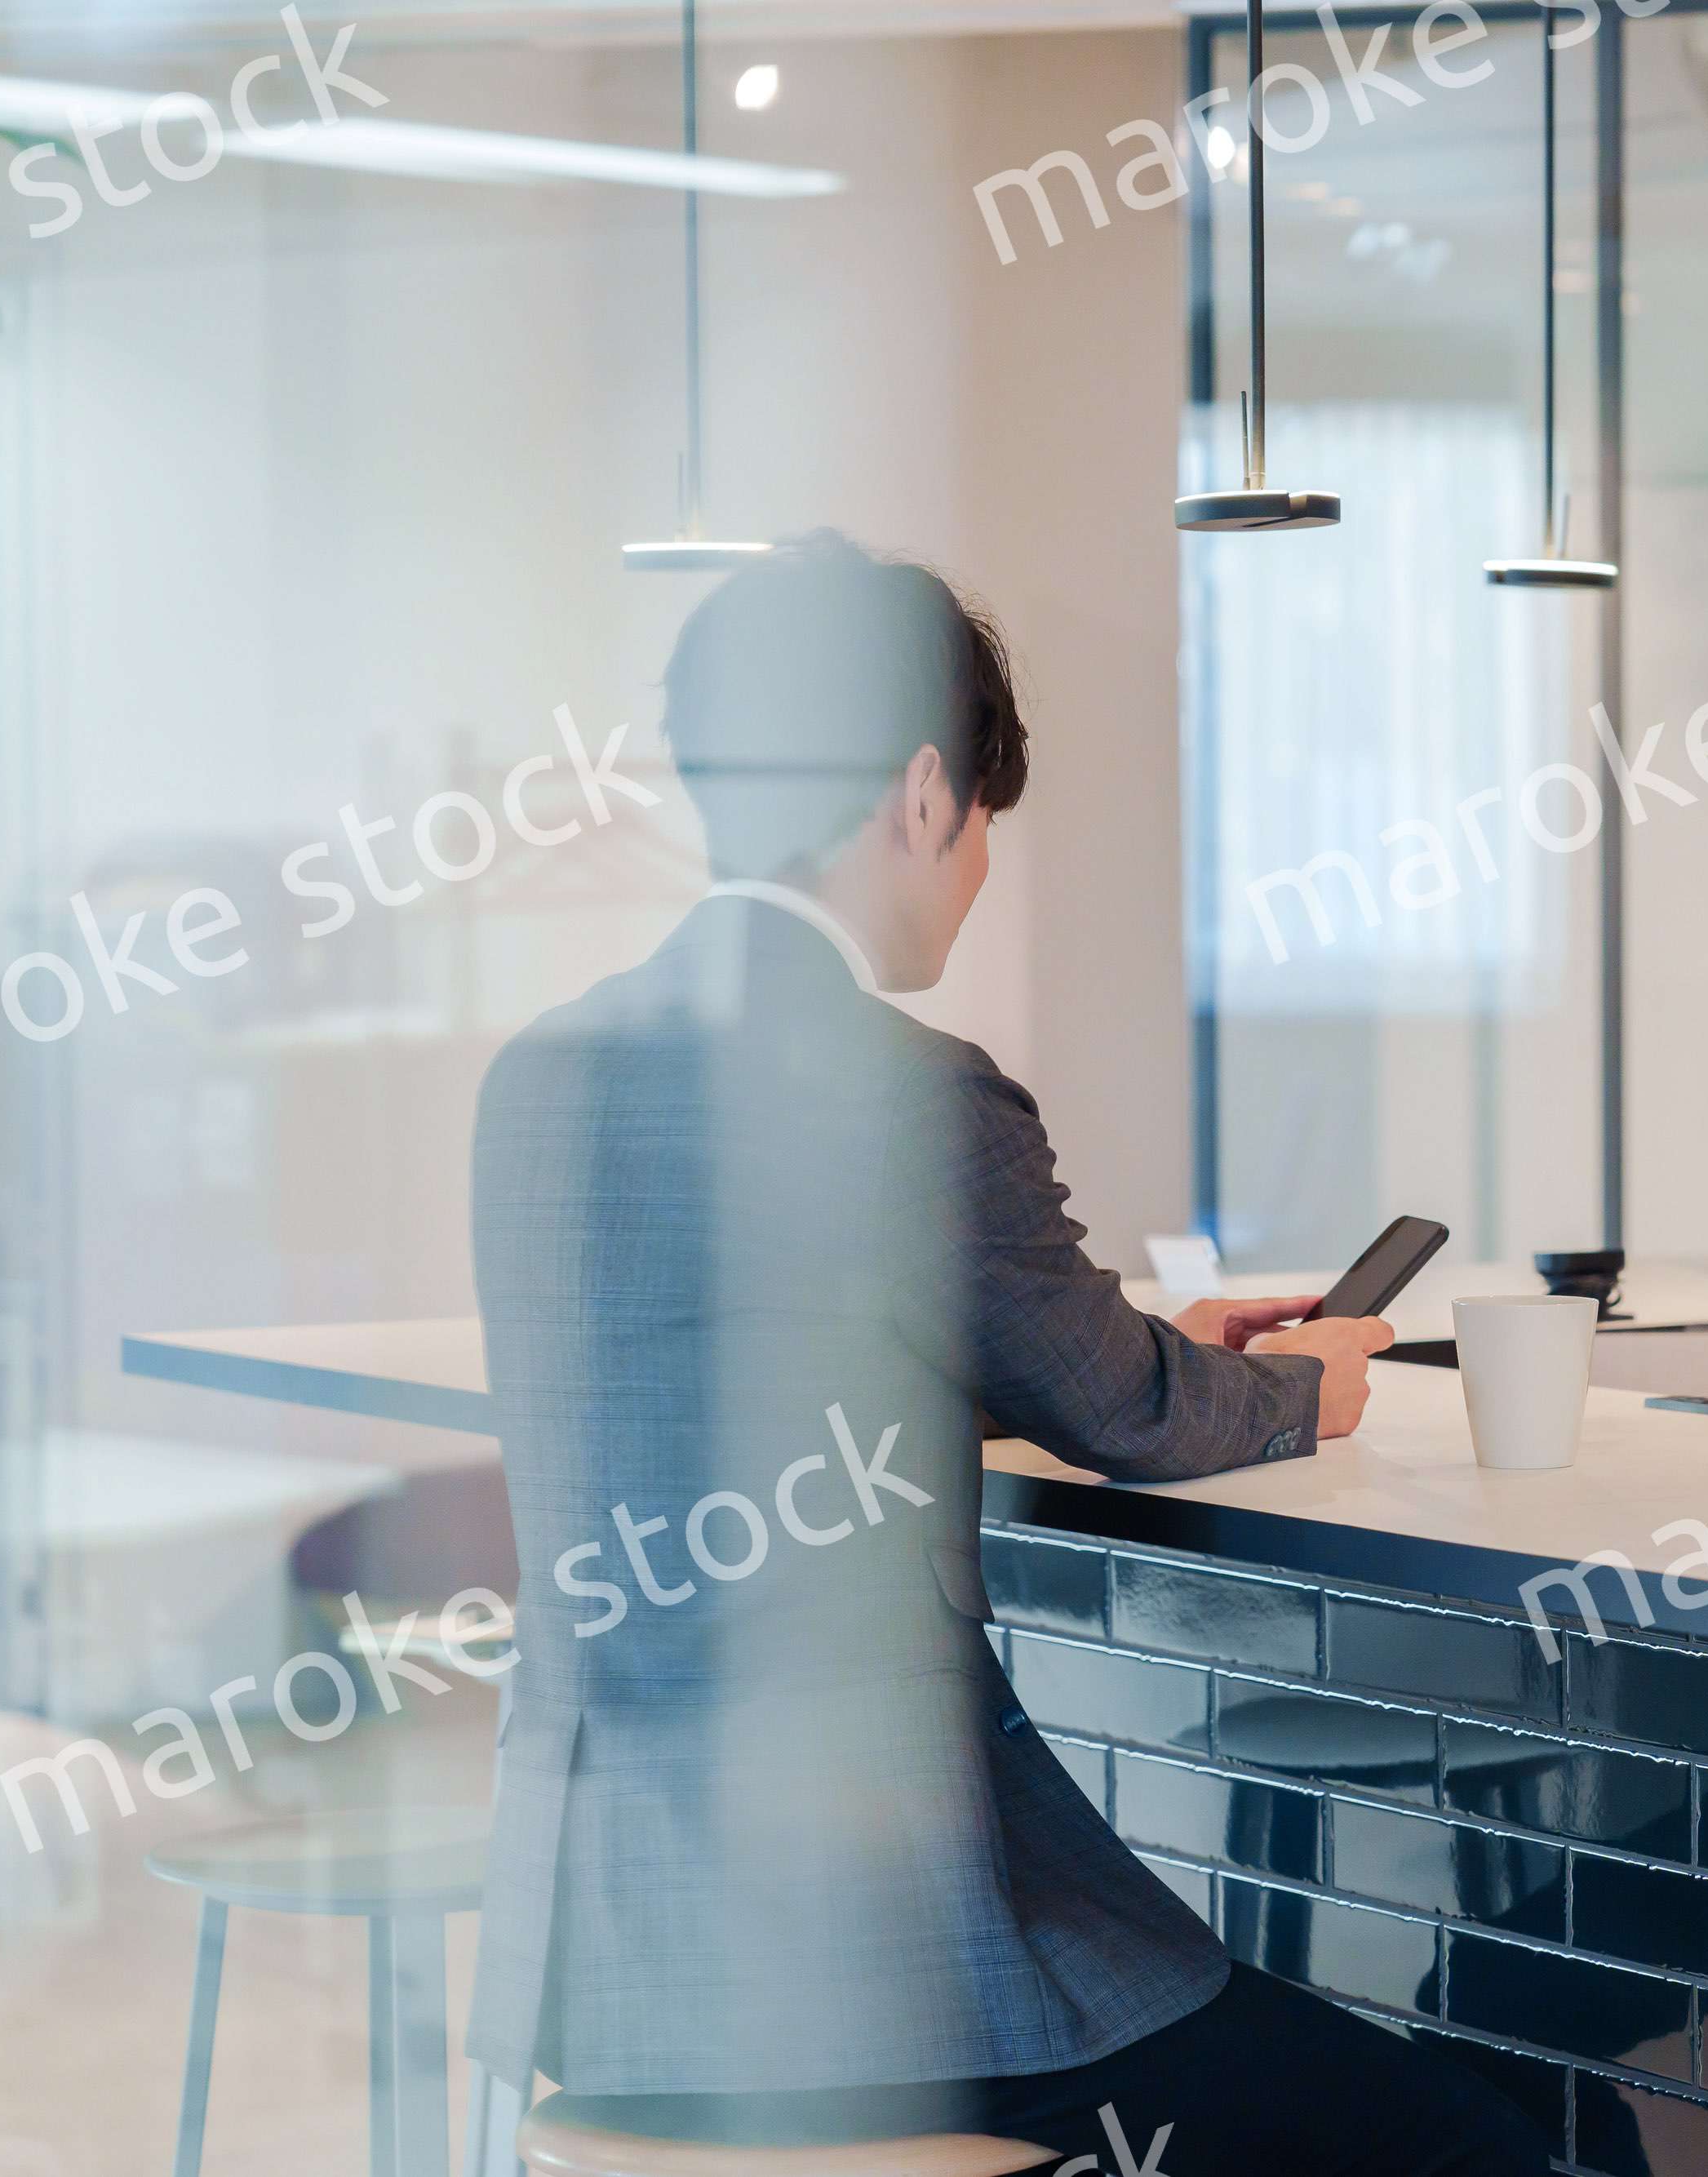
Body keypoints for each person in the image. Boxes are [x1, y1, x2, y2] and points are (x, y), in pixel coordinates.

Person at [463, 532, 1551, 2175]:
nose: (975, 876)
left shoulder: (541, 1077)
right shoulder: (900, 1082)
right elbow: (1125, 1413)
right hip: (889, 1975)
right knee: (1460, 2141)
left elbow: (739, 1388)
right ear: (920, 790)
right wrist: (1300, 1384)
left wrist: (1111, 1351)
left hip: (609, 1968)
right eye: (983, 827)